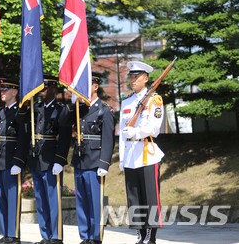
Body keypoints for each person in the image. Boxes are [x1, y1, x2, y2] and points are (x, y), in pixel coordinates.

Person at [63, 72, 115, 244]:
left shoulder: (104, 110)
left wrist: (104, 163)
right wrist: (72, 104)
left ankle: (96, 237)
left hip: (95, 161)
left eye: (86, 85)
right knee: (82, 201)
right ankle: (85, 236)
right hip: (80, 160)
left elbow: (108, 139)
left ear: (95, 87)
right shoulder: (79, 109)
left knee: (95, 202)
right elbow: (62, 122)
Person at [119, 61, 165, 244]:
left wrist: (137, 133)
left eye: (136, 76)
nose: (132, 80)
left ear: (146, 79)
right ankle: (139, 234)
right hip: (131, 156)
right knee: (134, 198)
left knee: (150, 198)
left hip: (147, 154)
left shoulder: (154, 100)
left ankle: (150, 237)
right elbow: (122, 133)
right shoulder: (127, 102)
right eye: (131, 76)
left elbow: (154, 128)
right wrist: (122, 159)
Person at [28, 75, 72, 244]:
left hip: (51, 159)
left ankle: (56, 236)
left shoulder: (61, 110)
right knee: (40, 200)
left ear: (53, 89)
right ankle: (45, 235)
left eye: (45, 88)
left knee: (53, 200)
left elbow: (65, 137)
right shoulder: (35, 107)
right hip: (37, 159)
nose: (42, 91)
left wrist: (60, 160)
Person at [0, 78, 29, 244]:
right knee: (0, 198)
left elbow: (24, 138)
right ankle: (5, 232)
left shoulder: (21, 112)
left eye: (6, 90)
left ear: (15, 92)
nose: (2, 92)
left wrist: (19, 161)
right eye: (1, 90)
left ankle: (13, 234)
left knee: (12, 198)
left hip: (12, 159)